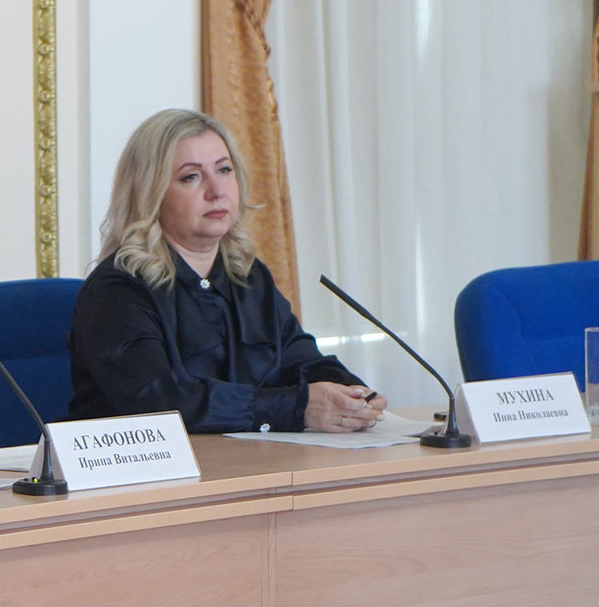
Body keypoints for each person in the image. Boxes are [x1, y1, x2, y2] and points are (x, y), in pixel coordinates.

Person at [68, 108, 384, 434]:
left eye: (224, 170)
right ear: (150, 193)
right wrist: (296, 407)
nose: (216, 190)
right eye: (191, 177)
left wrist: (351, 394)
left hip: (244, 458)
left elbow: (299, 360)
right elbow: (162, 401)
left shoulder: (247, 276)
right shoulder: (118, 291)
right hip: (146, 465)